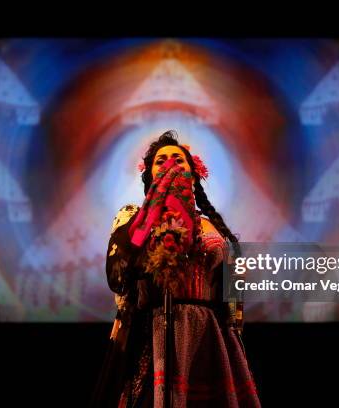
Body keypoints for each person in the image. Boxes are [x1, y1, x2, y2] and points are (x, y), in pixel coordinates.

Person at [92, 130, 261, 407]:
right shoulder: (133, 218)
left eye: (177, 159)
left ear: (193, 175)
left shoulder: (214, 227)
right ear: (150, 175)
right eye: (161, 161)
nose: (170, 164)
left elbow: (233, 299)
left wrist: (234, 332)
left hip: (210, 335)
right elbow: (118, 275)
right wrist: (157, 212)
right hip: (157, 328)